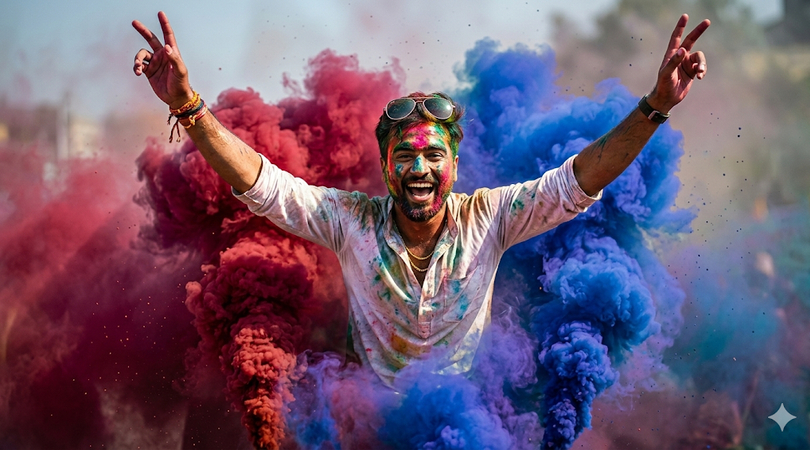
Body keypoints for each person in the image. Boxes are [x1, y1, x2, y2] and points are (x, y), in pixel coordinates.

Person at [132, 12, 709, 386]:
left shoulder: (490, 219)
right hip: (370, 431)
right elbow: (262, 184)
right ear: (385, 165)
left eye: (433, 156)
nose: (419, 169)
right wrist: (188, 106)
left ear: (454, 166)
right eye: (404, 156)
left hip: (465, 428)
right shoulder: (349, 221)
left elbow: (582, 177)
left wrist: (657, 103)